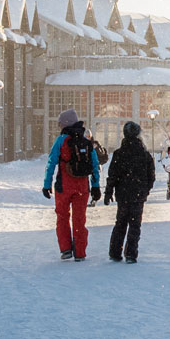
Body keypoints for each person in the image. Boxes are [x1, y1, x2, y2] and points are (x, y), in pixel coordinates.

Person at [42, 109, 102, 260]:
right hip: (82, 187)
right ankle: (80, 252)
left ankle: (66, 248)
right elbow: (95, 165)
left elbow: (51, 163)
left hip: (64, 186)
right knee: (79, 219)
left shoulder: (61, 140)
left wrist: (47, 184)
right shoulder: (86, 141)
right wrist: (95, 186)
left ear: (65, 124)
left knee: (62, 216)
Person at [103, 120, 155, 262]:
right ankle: (131, 253)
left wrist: (108, 193)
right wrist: (145, 190)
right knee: (135, 225)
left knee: (120, 223)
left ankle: (115, 252)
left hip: (123, 194)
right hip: (138, 194)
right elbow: (151, 175)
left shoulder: (119, 154)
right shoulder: (144, 154)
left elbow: (112, 175)